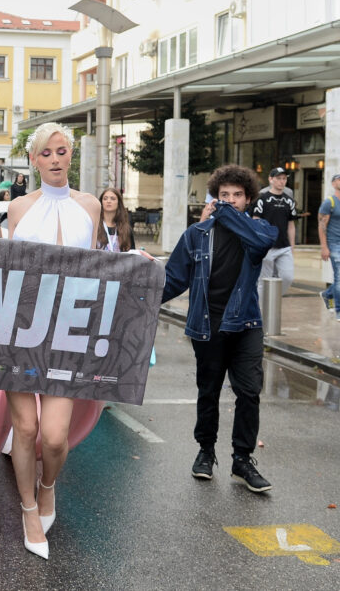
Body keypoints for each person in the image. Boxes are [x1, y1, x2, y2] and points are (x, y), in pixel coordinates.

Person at [0, 123, 102, 561]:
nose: (55, 159)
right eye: (46, 153)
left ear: (70, 155)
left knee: (54, 438)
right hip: (18, 330)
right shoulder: (17, 208)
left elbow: (99, 268)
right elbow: (3, 266)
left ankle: (47, 486)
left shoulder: (90, 206)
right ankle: (29, 510)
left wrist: (135, 262)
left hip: (67, 333)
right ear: (34, 160)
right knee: (28, 428)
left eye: (61, 151)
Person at [163, 164, 276, 494]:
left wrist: (223, 213)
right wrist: (137, 297)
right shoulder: (197, 235)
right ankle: (205, 452)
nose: (230, 200)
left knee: (249, 391)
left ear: (249, 199)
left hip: (246, 323)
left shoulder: (259, 230)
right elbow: (173, 279)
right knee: (209, 391)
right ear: (214, 197)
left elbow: (261, 240)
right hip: (207, 324)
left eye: (237, 195)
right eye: (223, 195)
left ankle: (242, 460)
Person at [251, 167, 296, 296]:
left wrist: (292, 246)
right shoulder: (262, 199)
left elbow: (291, 225)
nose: (282, 181)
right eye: (278, 178)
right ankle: (260, 307)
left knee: (288, 277)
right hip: (266, 246)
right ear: (271, 179)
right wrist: (258, 242)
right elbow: (256, 221)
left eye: (284, 178)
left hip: (284, 246)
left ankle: (273, 299)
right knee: (263, 280)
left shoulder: (289, 201)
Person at [319, 171, 340, 321]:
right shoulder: (329, 202)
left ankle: (327, 294)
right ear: (333, 183)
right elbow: (322, 225)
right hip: (336, 245)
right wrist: (324, 247)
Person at [97, 187, 135, 252]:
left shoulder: (126, 229)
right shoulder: (95, 226)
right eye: (105, 198)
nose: (108, 201)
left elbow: (132, 253)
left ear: (118, 203)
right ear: (101, 202)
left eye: (113, 199)